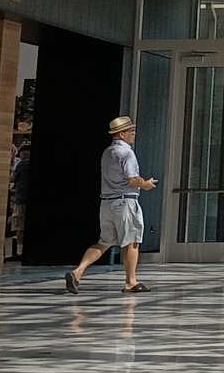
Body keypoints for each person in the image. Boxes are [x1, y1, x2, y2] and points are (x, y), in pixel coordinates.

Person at [66, 116, 156, 295]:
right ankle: (131, 282)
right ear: (121, 134)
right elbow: (132, 179)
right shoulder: (127, 153)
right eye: (131, 131)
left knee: (104, 242)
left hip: (107, 203)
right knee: (132, 241)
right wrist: (145, 184)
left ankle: (78, 271)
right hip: (125, 202)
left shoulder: (108, 152)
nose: (134, 134)